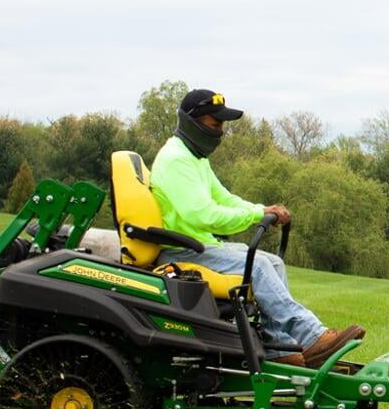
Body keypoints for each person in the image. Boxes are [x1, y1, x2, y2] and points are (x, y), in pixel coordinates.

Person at [149, 88, 362, 367]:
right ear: (193, 122)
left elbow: (223, 197)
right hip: (181, 251)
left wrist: (262, 210)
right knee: (258, 266)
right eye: (216, 124)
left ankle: (279, 350)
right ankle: (312, 337)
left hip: (198, 244)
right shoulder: (177, 160)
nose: (221, 131)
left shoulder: (194, 158)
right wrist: (255, 215)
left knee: (272, 262)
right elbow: (205, 215)